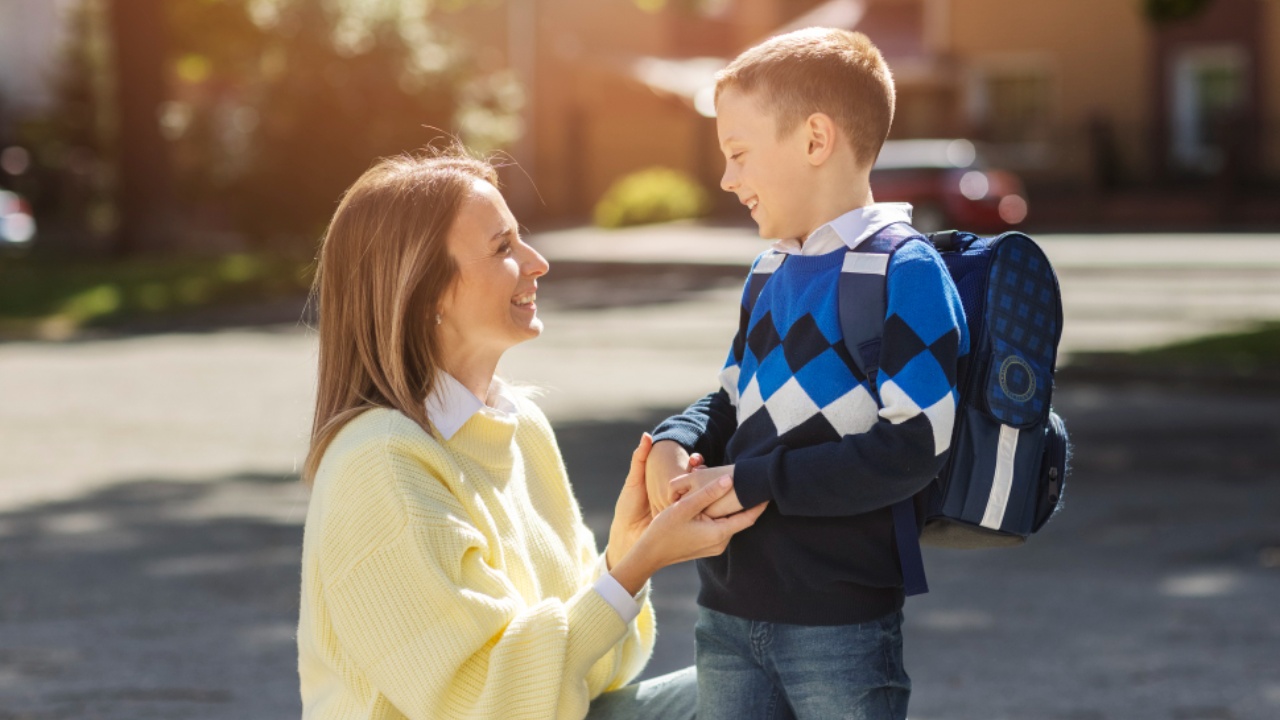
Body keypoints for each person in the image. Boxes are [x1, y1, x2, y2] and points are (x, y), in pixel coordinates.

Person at [296, 150, 767, 720]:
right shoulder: (379, 464)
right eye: (503, 248)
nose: (538, 262)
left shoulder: (519, 426)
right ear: (427, 294)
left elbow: (593, 677)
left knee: (775, 679)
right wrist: (632, 568)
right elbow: (485, 705)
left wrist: (624, 552)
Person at [643, 28, 970, 720]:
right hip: (726, 613)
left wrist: (752, 480)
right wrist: (676, 437)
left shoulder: (902, 271)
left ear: (816, 141)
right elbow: (732, 399)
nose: (728, 179)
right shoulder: (768, 271)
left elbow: (914, 445)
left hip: (839, 624)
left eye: (738, 154)